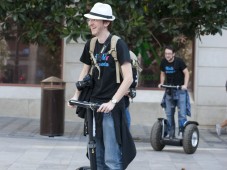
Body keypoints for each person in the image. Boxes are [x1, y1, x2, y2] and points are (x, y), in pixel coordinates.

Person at [69, 2, 136, 169]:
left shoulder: (118, 44)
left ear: (106, 22)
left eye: (95, 20)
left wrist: (112, 102)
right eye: (90, 19)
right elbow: (84, 73)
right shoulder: (91, 45)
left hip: (111, 109)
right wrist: (76, 96)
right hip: (94, 107)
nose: (90, 23)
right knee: (96, 158)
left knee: (112, 159)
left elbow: (128, 78)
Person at [158, 45, 190, 138]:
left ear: (173, 54)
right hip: (169, 90)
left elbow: (186, 73)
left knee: (182, 114)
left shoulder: (179, 62)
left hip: (180, 91)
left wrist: (185, 85)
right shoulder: (164, 62)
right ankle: (171, 133)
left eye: (169, 54)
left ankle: (183, 134)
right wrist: (161, 83)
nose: (167, 55)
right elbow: (162, 73)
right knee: (169, 113)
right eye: (166, 53)